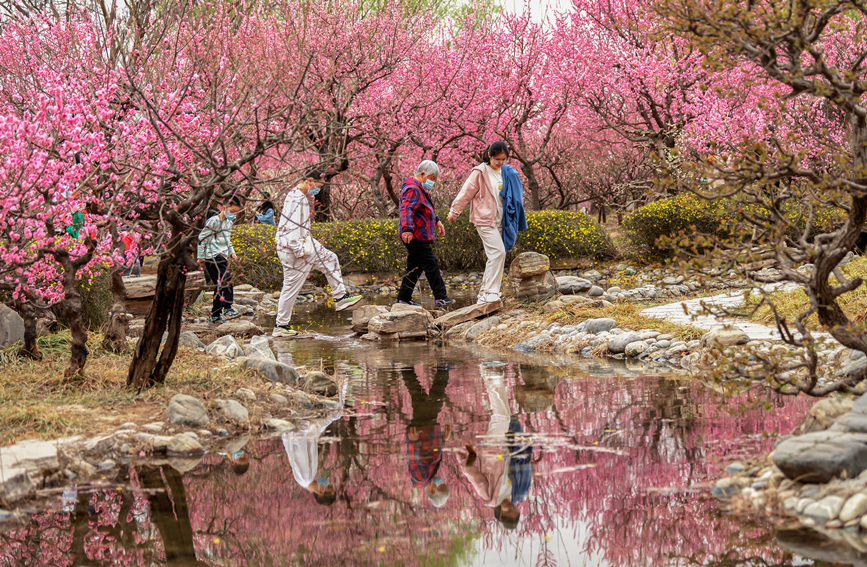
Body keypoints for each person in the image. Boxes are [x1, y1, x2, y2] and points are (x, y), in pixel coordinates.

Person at [273, 168, 362, 337]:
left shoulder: (298, 196)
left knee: (330, 258)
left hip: (302, 244)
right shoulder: (296, 199)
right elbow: (291, 228)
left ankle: (340, 297)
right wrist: (299, 251)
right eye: (319, 185)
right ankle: (280, 325)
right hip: (294, 249)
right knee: (291, 288)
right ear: (309, 181)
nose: (319, 189)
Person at [448, 141, 527, 305]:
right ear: (489, 156)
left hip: (501, 221)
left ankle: (485, 293)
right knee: (498, 253)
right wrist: (454, 211)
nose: (500, 163)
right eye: (497, 159)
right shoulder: (480, 172)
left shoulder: (506, 172)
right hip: (484, 220)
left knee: (497, 255)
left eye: (503, 159)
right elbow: (466, 192)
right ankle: (490, 292)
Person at [456, 362, 522, 530]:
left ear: (500, 514)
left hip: (492, 450)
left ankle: (492, 376)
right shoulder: (514, 494)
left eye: (509, 512)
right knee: (505, 414)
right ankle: (492, 376)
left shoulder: (489, 496)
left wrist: (465, 457)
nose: (512, 507)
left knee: (501, 417)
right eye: (515, 511)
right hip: (505, 447)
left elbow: (473, 475)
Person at [397, 160, 454, 307]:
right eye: (432, 179)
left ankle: (403, 297)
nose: (432, 183)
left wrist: (437, 221)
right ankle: (440, 297)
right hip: (415, 235)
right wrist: (407, 228)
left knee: (415, 267)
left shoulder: (420, 190)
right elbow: (406, 209)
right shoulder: (412, 189)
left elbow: (425, 210)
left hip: (419, 235)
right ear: (422, 174)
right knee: (431, 264)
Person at [401, 365, 452, 508]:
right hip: (429, 431)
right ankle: (406, 368)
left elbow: (415, 460)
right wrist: (443, 440)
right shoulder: (430, 476)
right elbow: (433, 455)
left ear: (433, 490)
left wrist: (413, 442)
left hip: (421, 432)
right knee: (418, 395)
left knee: (436, 398)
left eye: (441, 486)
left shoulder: (421, 478)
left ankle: (443, 369)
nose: (442, 482)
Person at [197, 195, 242, 324]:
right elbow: (202, 238)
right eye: (232, 211)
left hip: (222, 257)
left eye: (235, 212)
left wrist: (232, 253)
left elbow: (228, 241)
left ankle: (215, 315)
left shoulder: (229, 223)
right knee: (226, 279)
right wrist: (201, 256)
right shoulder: (214, 221)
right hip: (212, 256)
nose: (233, 215)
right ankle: (227, 307)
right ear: (224, 207)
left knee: (219, 286)